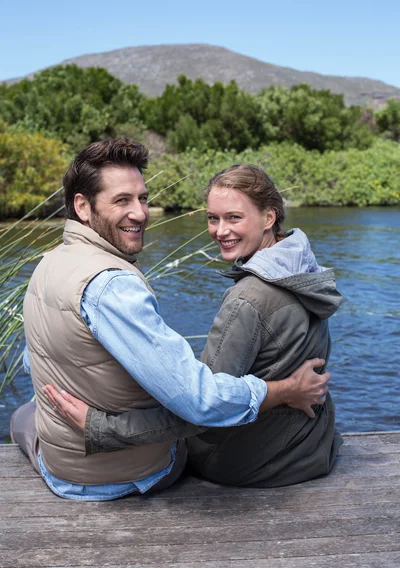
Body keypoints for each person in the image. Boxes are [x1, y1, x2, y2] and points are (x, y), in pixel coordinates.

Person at [11, 141, 330, 500]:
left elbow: (32, 359)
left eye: (143, 199)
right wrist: (285, 390)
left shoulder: (49, 263)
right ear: (82, 206)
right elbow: (200, 403)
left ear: (269, 218)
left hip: (70, 467)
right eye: (122, 200)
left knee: (23, 416)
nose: (140, 213)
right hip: (125, 475)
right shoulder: (114, 286)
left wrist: (100, 413)